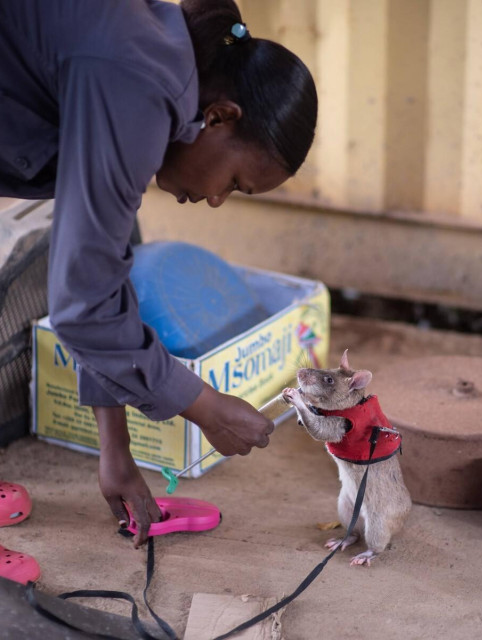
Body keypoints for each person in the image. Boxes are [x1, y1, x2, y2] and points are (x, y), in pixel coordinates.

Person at [0, 0, 318, 580]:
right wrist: (203, 405)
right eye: (235, 183)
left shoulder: (153, 65)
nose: (217, 200)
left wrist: (114, 449)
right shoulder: (137, 84)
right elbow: (84, 305)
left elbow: (104, 264)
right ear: (220, 117)